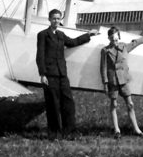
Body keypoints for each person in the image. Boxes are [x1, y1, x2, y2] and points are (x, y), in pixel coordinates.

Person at [36, 9, 98, 140]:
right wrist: (43, 74)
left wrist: (88, 35)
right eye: (54, 18)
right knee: (53, 105)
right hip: (50, 74)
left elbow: (73, 42)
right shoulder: (43, 35)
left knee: (68, 103)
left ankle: (69, 132)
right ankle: (53, 134)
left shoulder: (60, 34)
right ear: (49, 19)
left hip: (62, 74)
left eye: (58, 19)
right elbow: (40, 55)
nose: (56, 21)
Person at [100, 27, 143, 139]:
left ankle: (137, 129)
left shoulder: (125, 46)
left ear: (119, 37)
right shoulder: (105, 51)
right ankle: (117, 130)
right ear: (108, 38)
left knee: (130, 104)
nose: (114, 41)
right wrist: (105, 83)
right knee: (114, 104)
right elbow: (103, 68)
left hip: (124, 80)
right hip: (113, 81)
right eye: (112, 39)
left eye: (116, 39)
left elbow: (135, 42)